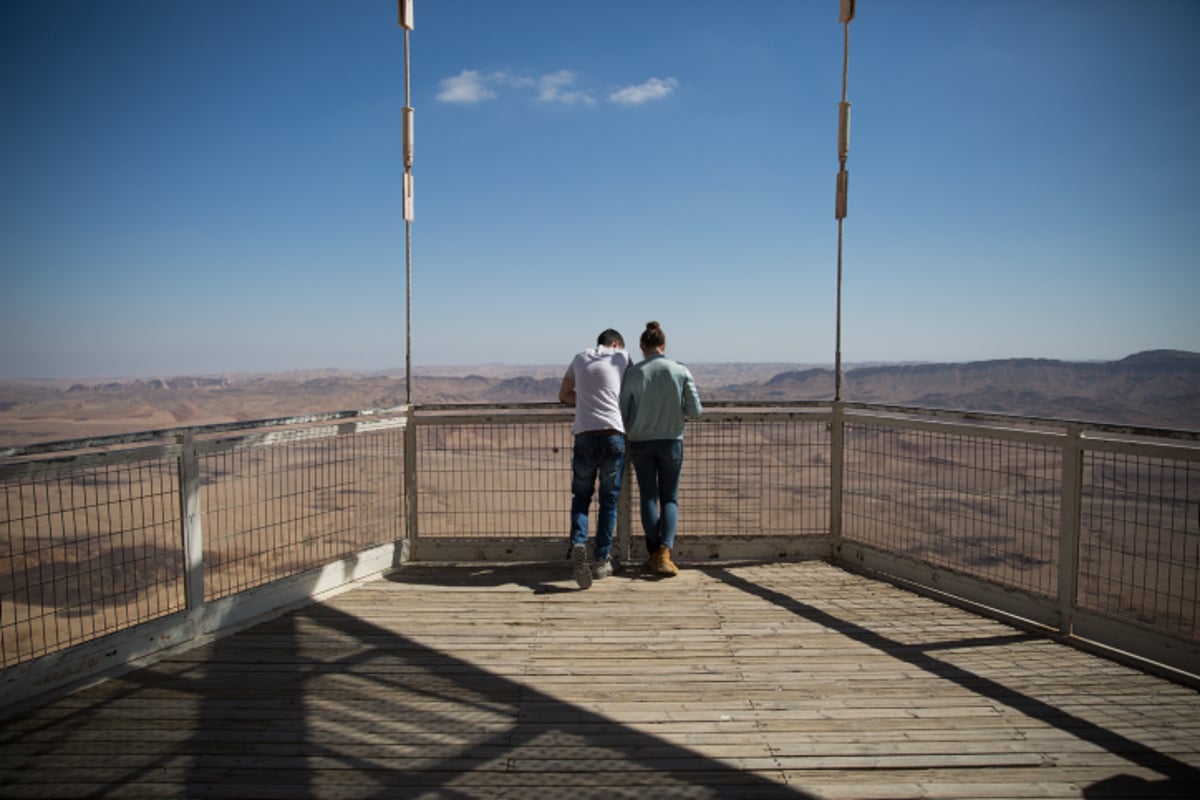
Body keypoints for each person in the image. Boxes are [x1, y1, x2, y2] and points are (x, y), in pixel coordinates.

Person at [619, 321, 702, 577]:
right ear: (663, 346)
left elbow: (623, 412)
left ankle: (654, 554)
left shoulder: (633, 374)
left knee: (647, 498)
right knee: (669, 498)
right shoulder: (680, 370)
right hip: (671, 441)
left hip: (640, 442)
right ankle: (665, 553)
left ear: (642, 347)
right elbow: (695, 411)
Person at [559, 328, 630, 589]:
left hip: (585, 435)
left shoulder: (579, 358)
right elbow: (630, 391)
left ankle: (579, 543)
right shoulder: (621, 356)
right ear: (616, 344)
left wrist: (586, 400)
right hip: (613, 435)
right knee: (608, 500)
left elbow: (563, 394)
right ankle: (602, 561)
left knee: (581, 497)